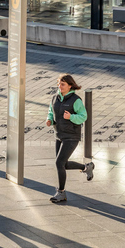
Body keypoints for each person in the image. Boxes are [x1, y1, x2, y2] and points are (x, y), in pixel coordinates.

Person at [46, 74, 94, 203]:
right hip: (59, 135)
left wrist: (71, 117)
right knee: (64, 164)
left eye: (63, 84)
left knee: (59, 163)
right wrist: (49, 119)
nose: (59, 86)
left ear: (70, 86)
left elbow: (83, 116)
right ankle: (86, 167)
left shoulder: (75, 100)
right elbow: (51, 111)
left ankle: (61, 192)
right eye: (59, 84)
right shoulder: (55, 98)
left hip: (72, 136)